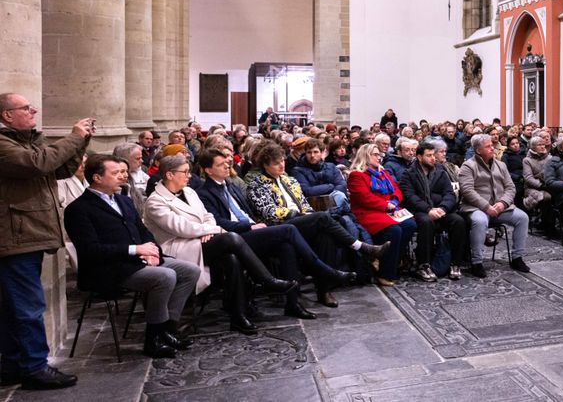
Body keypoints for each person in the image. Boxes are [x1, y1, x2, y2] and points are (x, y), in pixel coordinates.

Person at [64, 155, 201, 359]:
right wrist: (135, 250)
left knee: (191, 270)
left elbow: (143, 231)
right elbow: (90, 250)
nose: (123, 176)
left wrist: (154, 251)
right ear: (97, 178)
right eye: (116, 173)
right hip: (108, 268)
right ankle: (153, 338)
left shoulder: (123, 200)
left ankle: (168, 329)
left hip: (138, 260)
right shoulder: (78, 209)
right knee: (164, 277)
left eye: (123, 172)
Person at [143, 154, 298, 335]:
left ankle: (238, 316)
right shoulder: (155, 201)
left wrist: (209, 229)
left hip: (203, 240)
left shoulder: (190, 192)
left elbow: (207, 215)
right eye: (185, 172)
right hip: (178, 247)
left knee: (232, 259)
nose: (189, 175)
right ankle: (266, 280)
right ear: (169, 175)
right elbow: (180, 227)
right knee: (231, 238)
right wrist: (212, 230)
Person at [0, 94, 91, 390]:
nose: (33, 110)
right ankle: (35, 366)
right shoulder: (4, 145)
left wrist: (82, 141)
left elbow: (61, 169)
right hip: (17, 235)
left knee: (15, 306)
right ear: (7, 115)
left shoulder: (27, 141)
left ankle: (14, 363)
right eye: (26, 108)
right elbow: (38, 164)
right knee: (27, 306)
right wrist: (74, 136)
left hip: (29, 234)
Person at [195, 150, 353, 320]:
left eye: (226, 163)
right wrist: (249, 226)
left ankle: (294, 303)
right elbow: (218, 222)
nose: (227, 166)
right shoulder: (204, 193)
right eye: (220, 164)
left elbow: (246, 212)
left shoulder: (230, 186)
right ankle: (326, 270)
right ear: (208, 170)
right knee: (290, 230)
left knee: (290, 245)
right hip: (237, 237)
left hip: (257, 228)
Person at [245, 142, 389, 305]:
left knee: (325, 235)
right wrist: (300, 214)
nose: (281, 165)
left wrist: (307, 214)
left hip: (301, 222)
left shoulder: (290, 180)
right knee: (321, 217)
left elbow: (305, 204)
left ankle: (324, 291)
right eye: (276, 163)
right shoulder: (257, 185)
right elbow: (269, 212)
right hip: (279, 226)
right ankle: (359, 247)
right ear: (265, 165)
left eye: (282, 161)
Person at [458, 134, 531, 278]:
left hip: (500, 207)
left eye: (492, 145)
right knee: (480, 221)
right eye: (488, 146)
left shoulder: (501, 165)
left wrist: (502, 203)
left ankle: (517, 258)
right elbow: (467, 191)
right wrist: (486, 207)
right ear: (478, 150)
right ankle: (477, 262)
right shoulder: (468, 166)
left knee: (522, 218)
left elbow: (511, 188)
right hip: (476, 208)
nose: (493, 148)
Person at [348, 144, 416, 286]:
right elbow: (364, 198)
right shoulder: (356, 175)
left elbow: (396, 189)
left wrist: (394, 200)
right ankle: (385, 273)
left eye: (379, 154)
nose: (379, 157)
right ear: (365, 156)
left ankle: (393, 261)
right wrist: (386, 205)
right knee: (394, 230)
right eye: (375, 154)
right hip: (367, 213)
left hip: (387, 211)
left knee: (410, 225)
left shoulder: (382, 172)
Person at [399, 141, 466, 281]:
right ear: (419, 157)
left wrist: (443, 208)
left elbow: (449, 194)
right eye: (428, 155)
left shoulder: (440, 171)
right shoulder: (409, 174)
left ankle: (455, 263)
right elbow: (410, 197)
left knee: (458, 221)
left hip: (440, 210)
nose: (433, 158)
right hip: (420, 211)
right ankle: (424, 265)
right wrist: (428, 209)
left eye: (433, 155)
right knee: (426, 222)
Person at [292, 140, 350, 213]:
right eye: (309, 152)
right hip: (314, 207)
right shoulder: (298, 170)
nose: (312, 155)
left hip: (335, 203)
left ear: (322, 153)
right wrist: (330, 187)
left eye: (315, 152)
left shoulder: (331, 166)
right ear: (305, 153)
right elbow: (306, 191)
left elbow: (341, 185)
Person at [113, 142, 149, 213]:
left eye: (141, 158)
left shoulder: (141, 170)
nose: (142, 161)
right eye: (138, 158)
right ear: (125, 159)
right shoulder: (115, 179)